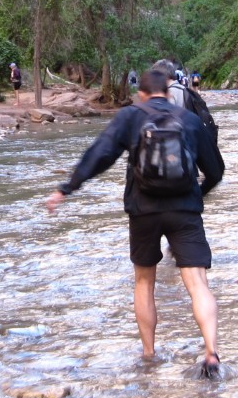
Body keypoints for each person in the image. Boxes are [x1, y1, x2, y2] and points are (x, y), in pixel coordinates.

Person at [46, 67, 226, 377]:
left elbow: (100, 155)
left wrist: (67, 188)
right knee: (197, 282)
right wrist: (196, 194)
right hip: (185, 210)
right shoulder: (189, 119)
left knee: (144, 281)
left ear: (140, 93)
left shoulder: (131, 116)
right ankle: (210, 352)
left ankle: (149, 353)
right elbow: (216, 170)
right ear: (169, 92)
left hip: (143, 211)